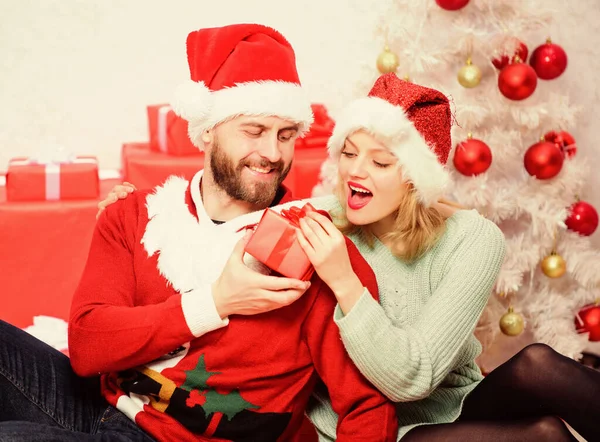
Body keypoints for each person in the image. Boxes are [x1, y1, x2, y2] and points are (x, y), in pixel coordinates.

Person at [104, 73, 600, 442]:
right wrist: (142, 207)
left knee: (537, 362)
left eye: (380, 161)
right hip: (370, 429)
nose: (355, 172)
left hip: (455, 403)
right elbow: (221, 214)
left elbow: (416, 377)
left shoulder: (472, 238)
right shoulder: (318, 217)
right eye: (348, 153)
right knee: (546, 435)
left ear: (415, 178)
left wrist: (345, 282)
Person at [0, 24, 399, 442]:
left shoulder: (316, 248)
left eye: (285, 135)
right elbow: (86, 347)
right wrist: (215, 301)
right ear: (208, 130)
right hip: (103, 406)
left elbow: (368, 404)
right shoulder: (135, 214)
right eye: (254, 131)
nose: (273, 153)